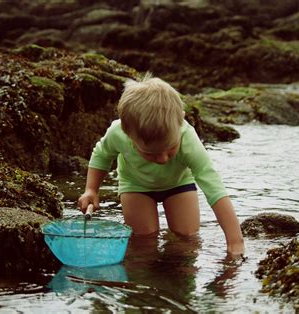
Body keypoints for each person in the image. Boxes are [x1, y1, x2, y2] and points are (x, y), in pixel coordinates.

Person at [78, 73, 244, 256]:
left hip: (178, 184)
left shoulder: (188, 139)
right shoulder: (118, 133)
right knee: (143, 240)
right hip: (136, 185)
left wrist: (235, 241)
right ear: (129, 135)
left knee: (187, 239)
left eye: (171, 148)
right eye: (151, 153)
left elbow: (215, 189)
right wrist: (91, 190)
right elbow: (101, 155)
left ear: (180, 120)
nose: (163, 159)